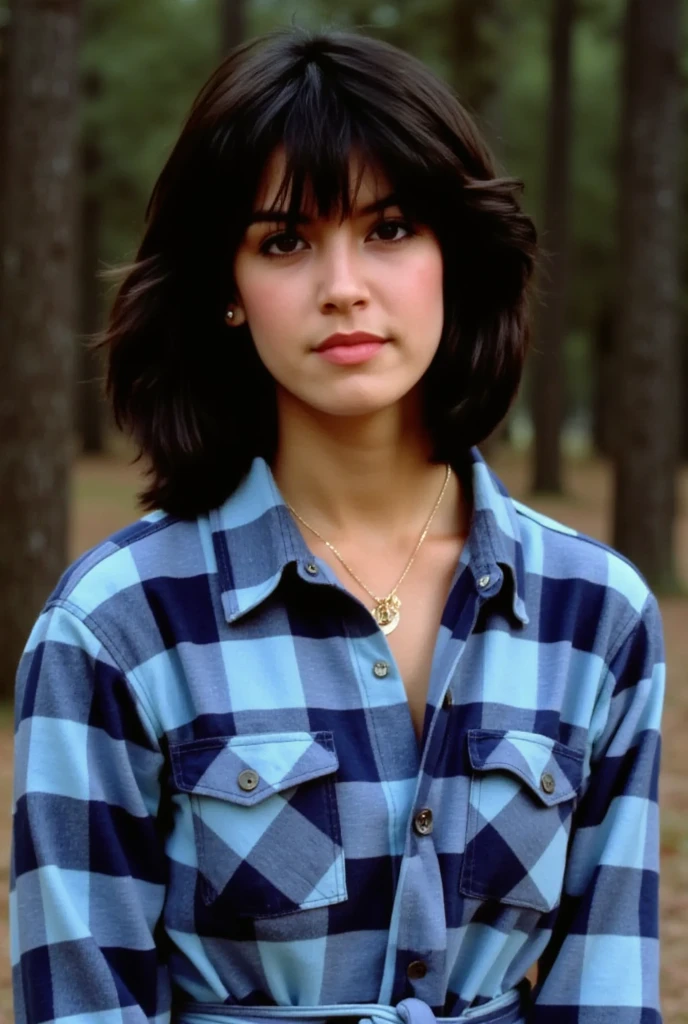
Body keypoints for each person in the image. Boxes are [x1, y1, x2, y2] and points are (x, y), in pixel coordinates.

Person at [10, 26, 664, 1024]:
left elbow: (605, 992)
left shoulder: (595, 615)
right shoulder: (115, 627)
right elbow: (81, 999)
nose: (343, 286)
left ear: (455, 253)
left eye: (390, 228)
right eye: (285, 242)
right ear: (228, 291)